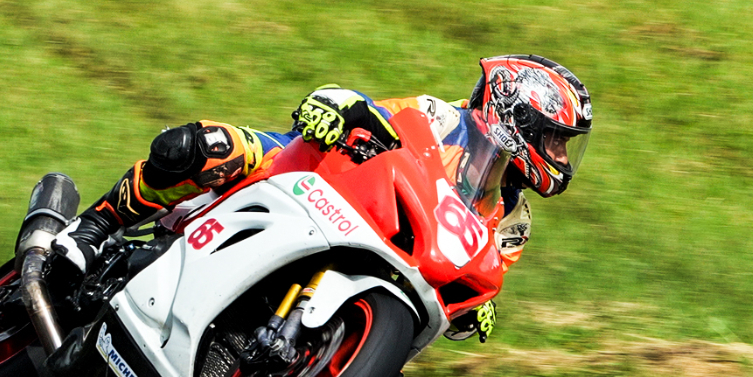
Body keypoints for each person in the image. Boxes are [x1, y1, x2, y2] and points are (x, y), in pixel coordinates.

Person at [40, 55, 593, 342]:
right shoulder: (438, 117)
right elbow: (368, 113)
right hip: (313, 178)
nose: (562, 158)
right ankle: (92, 229)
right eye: (554, 140)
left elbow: (473, 268)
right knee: (198, 147)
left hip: (372, 263)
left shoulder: (511, 218)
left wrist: (475, 306)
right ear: (513, 115)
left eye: (567, 146)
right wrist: (335, 107)